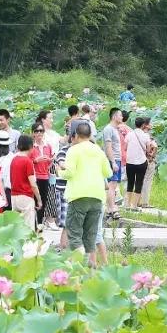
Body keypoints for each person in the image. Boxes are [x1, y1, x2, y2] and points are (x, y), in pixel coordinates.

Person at [61, 122, 112, 266]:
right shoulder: (98, 150)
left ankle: (79, 257)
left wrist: (60, 169)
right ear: (90, 135)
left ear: (76, 135)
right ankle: (91, 269)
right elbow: (108, 172)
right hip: (97, 197)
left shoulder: (73, 150)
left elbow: (69, 173)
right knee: (91, 235)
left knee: (74, 232)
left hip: (78, 196)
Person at [10, 135, 42, 230]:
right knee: (28, 227)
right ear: (31, 146)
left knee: (17, 227)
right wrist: (39, 200)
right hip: (26, 196)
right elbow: (33, 184)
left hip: (14, 196)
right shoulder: (27, 161)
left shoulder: (14, 160)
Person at [124, 116, 151, 211]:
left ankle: (127, 204)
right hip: (141, 162)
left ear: (135, 124)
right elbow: (148, 149)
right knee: (139, 183)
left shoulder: (129, 134)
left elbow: (125, 147)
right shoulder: (145, 136)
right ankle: (134, 205)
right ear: (143, 125)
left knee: (130, 183)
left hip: (130, 162)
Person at [29, 125, 53, 227]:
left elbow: (51, 161)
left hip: (45, 176)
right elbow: (27, 161)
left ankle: (39, 225)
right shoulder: (31, 147)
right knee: (34, 201)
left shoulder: (48, 146)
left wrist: (49, 161)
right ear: (33, 133)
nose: (39, 133)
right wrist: (35, 161)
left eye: (41, 131)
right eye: (36, 131)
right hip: (34, 177)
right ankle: (33, 225)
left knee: (43, 201)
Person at [102, 108, 123, 220]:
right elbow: (108, 147)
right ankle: (112, 208)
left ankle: (110, 208)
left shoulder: (115, 129)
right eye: (120, 115)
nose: (122, 117)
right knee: (112, 185)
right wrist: (113, 162)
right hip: (112, 160)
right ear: (114, 117)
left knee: (114, 185)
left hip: (117, 159)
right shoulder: (108, 129)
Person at [139, 125, 158, 208]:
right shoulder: (148, 136)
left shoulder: (139, 135)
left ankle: (137, 201)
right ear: (146, 126)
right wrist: (152, 155)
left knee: (140, 181)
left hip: (140, 161)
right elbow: (155, 146)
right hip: (149, 161)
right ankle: (145, 202)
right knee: (147, 181)